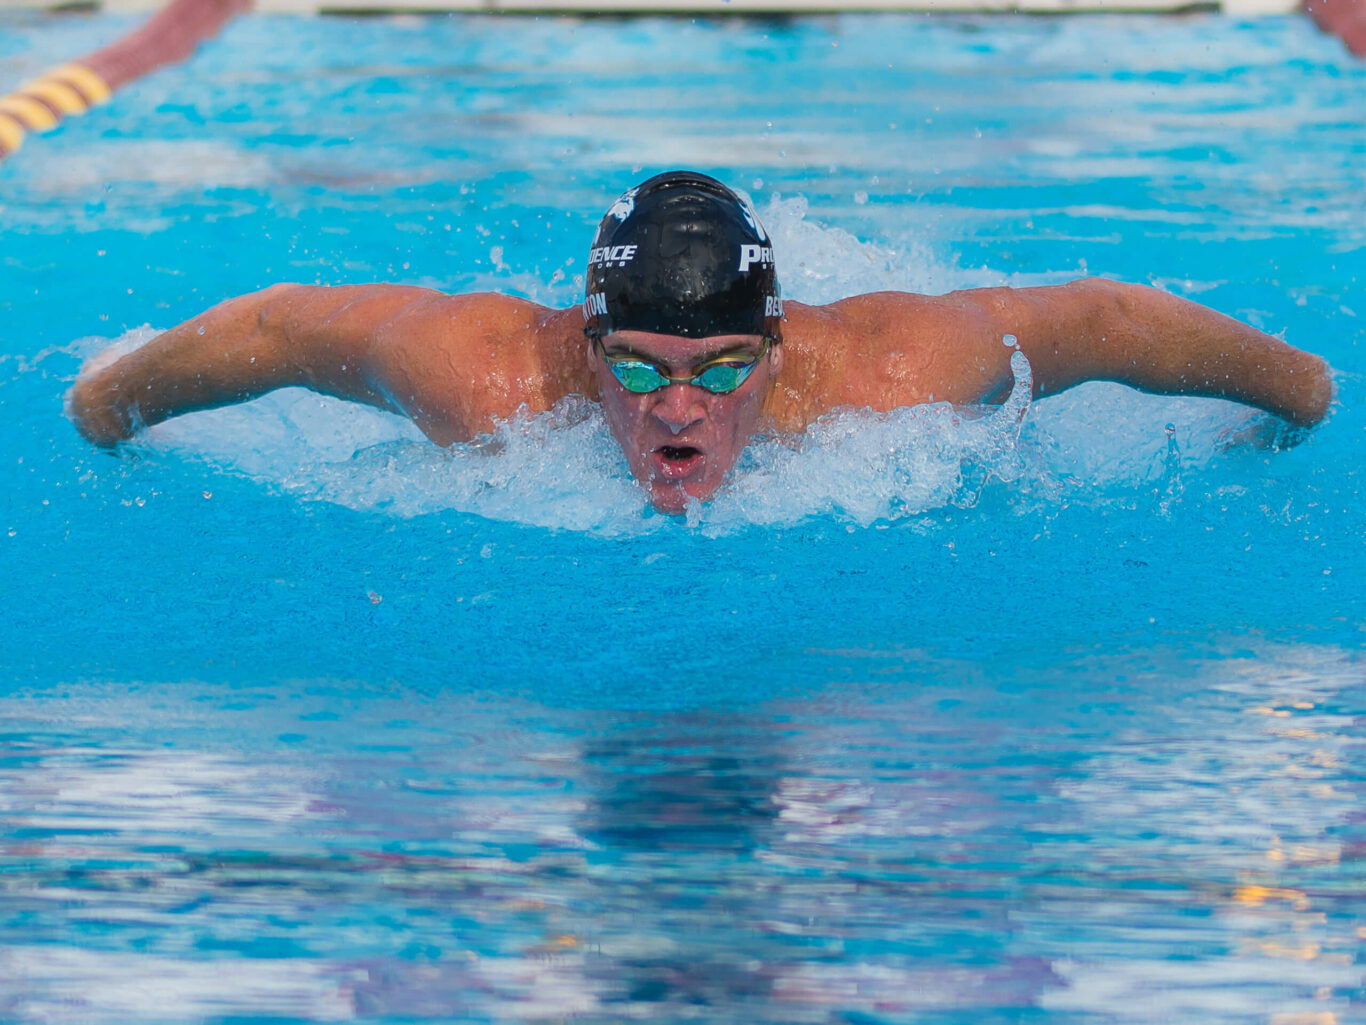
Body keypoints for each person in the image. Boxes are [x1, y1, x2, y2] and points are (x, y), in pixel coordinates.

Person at [69, 170, 1333, 514]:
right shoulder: (488, 374)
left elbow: (1105, 320)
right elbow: (286, 325)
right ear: (585, 343)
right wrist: (107, 406)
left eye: (723, 367)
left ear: (778, 350)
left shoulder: (889, 378)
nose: (681, 410)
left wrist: (1299, 394)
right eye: (641, 371)